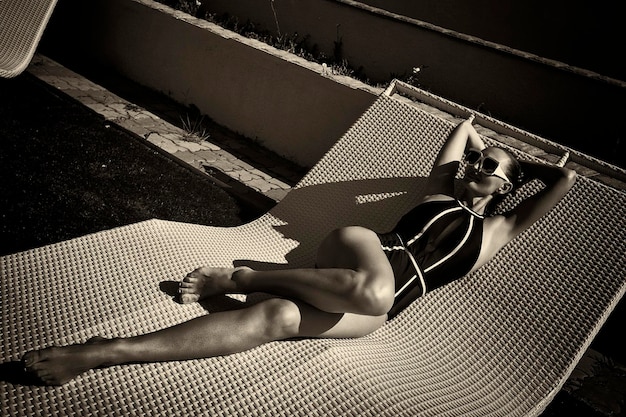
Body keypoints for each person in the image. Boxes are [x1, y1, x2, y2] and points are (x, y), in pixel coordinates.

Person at [22, 117, 576, 386]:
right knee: (378, 289)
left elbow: (565, 183)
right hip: (357, 250)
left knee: (281, 318)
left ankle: (105, 351)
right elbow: (461, 130)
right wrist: (489, 151)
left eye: (489, 170)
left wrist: (524, 168)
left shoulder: (499, 233)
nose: (475, 168)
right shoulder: (439, 190)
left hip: (373, 310)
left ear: (506, 187)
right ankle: (245, 275)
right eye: (477, 163)